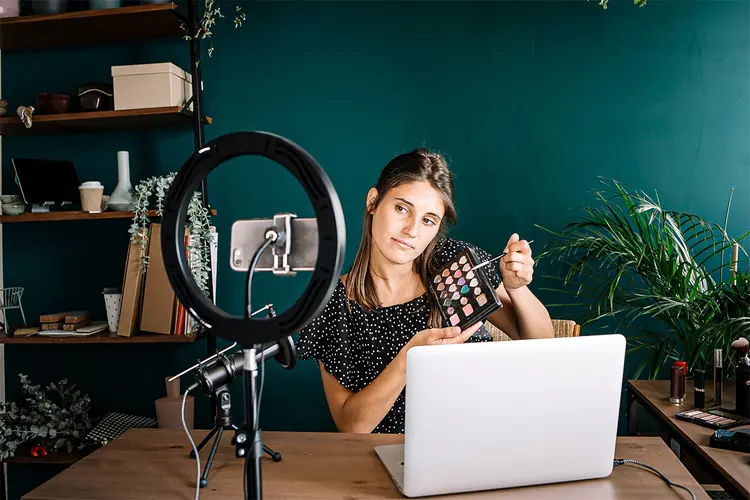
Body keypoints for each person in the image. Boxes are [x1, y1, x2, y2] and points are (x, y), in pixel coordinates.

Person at [296, 148, 554, 434]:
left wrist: (517, 290)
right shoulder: (333, 303)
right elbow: (351, 425)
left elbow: (543, 345)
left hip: (490, 435)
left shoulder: (455, 264)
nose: (411, 230)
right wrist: (409, 359)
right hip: (394, 458)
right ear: (373, 202)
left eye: (428, 220)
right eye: (402, 209)